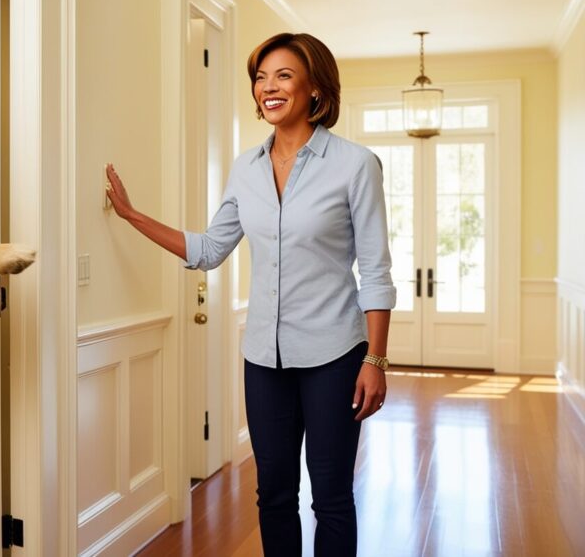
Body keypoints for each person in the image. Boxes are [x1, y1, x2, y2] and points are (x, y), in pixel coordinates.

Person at [104, 32, 395, 557]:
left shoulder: (356, 165)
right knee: (273, 495)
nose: (268, 88)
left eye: (283, 75)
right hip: (263, 358)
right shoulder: (246, 168)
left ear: (315, 90)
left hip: (335, 356)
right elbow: (211, 248)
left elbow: (375, 270)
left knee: (330, 498)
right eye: (261, 78)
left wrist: (375, 358)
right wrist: (132, 215)